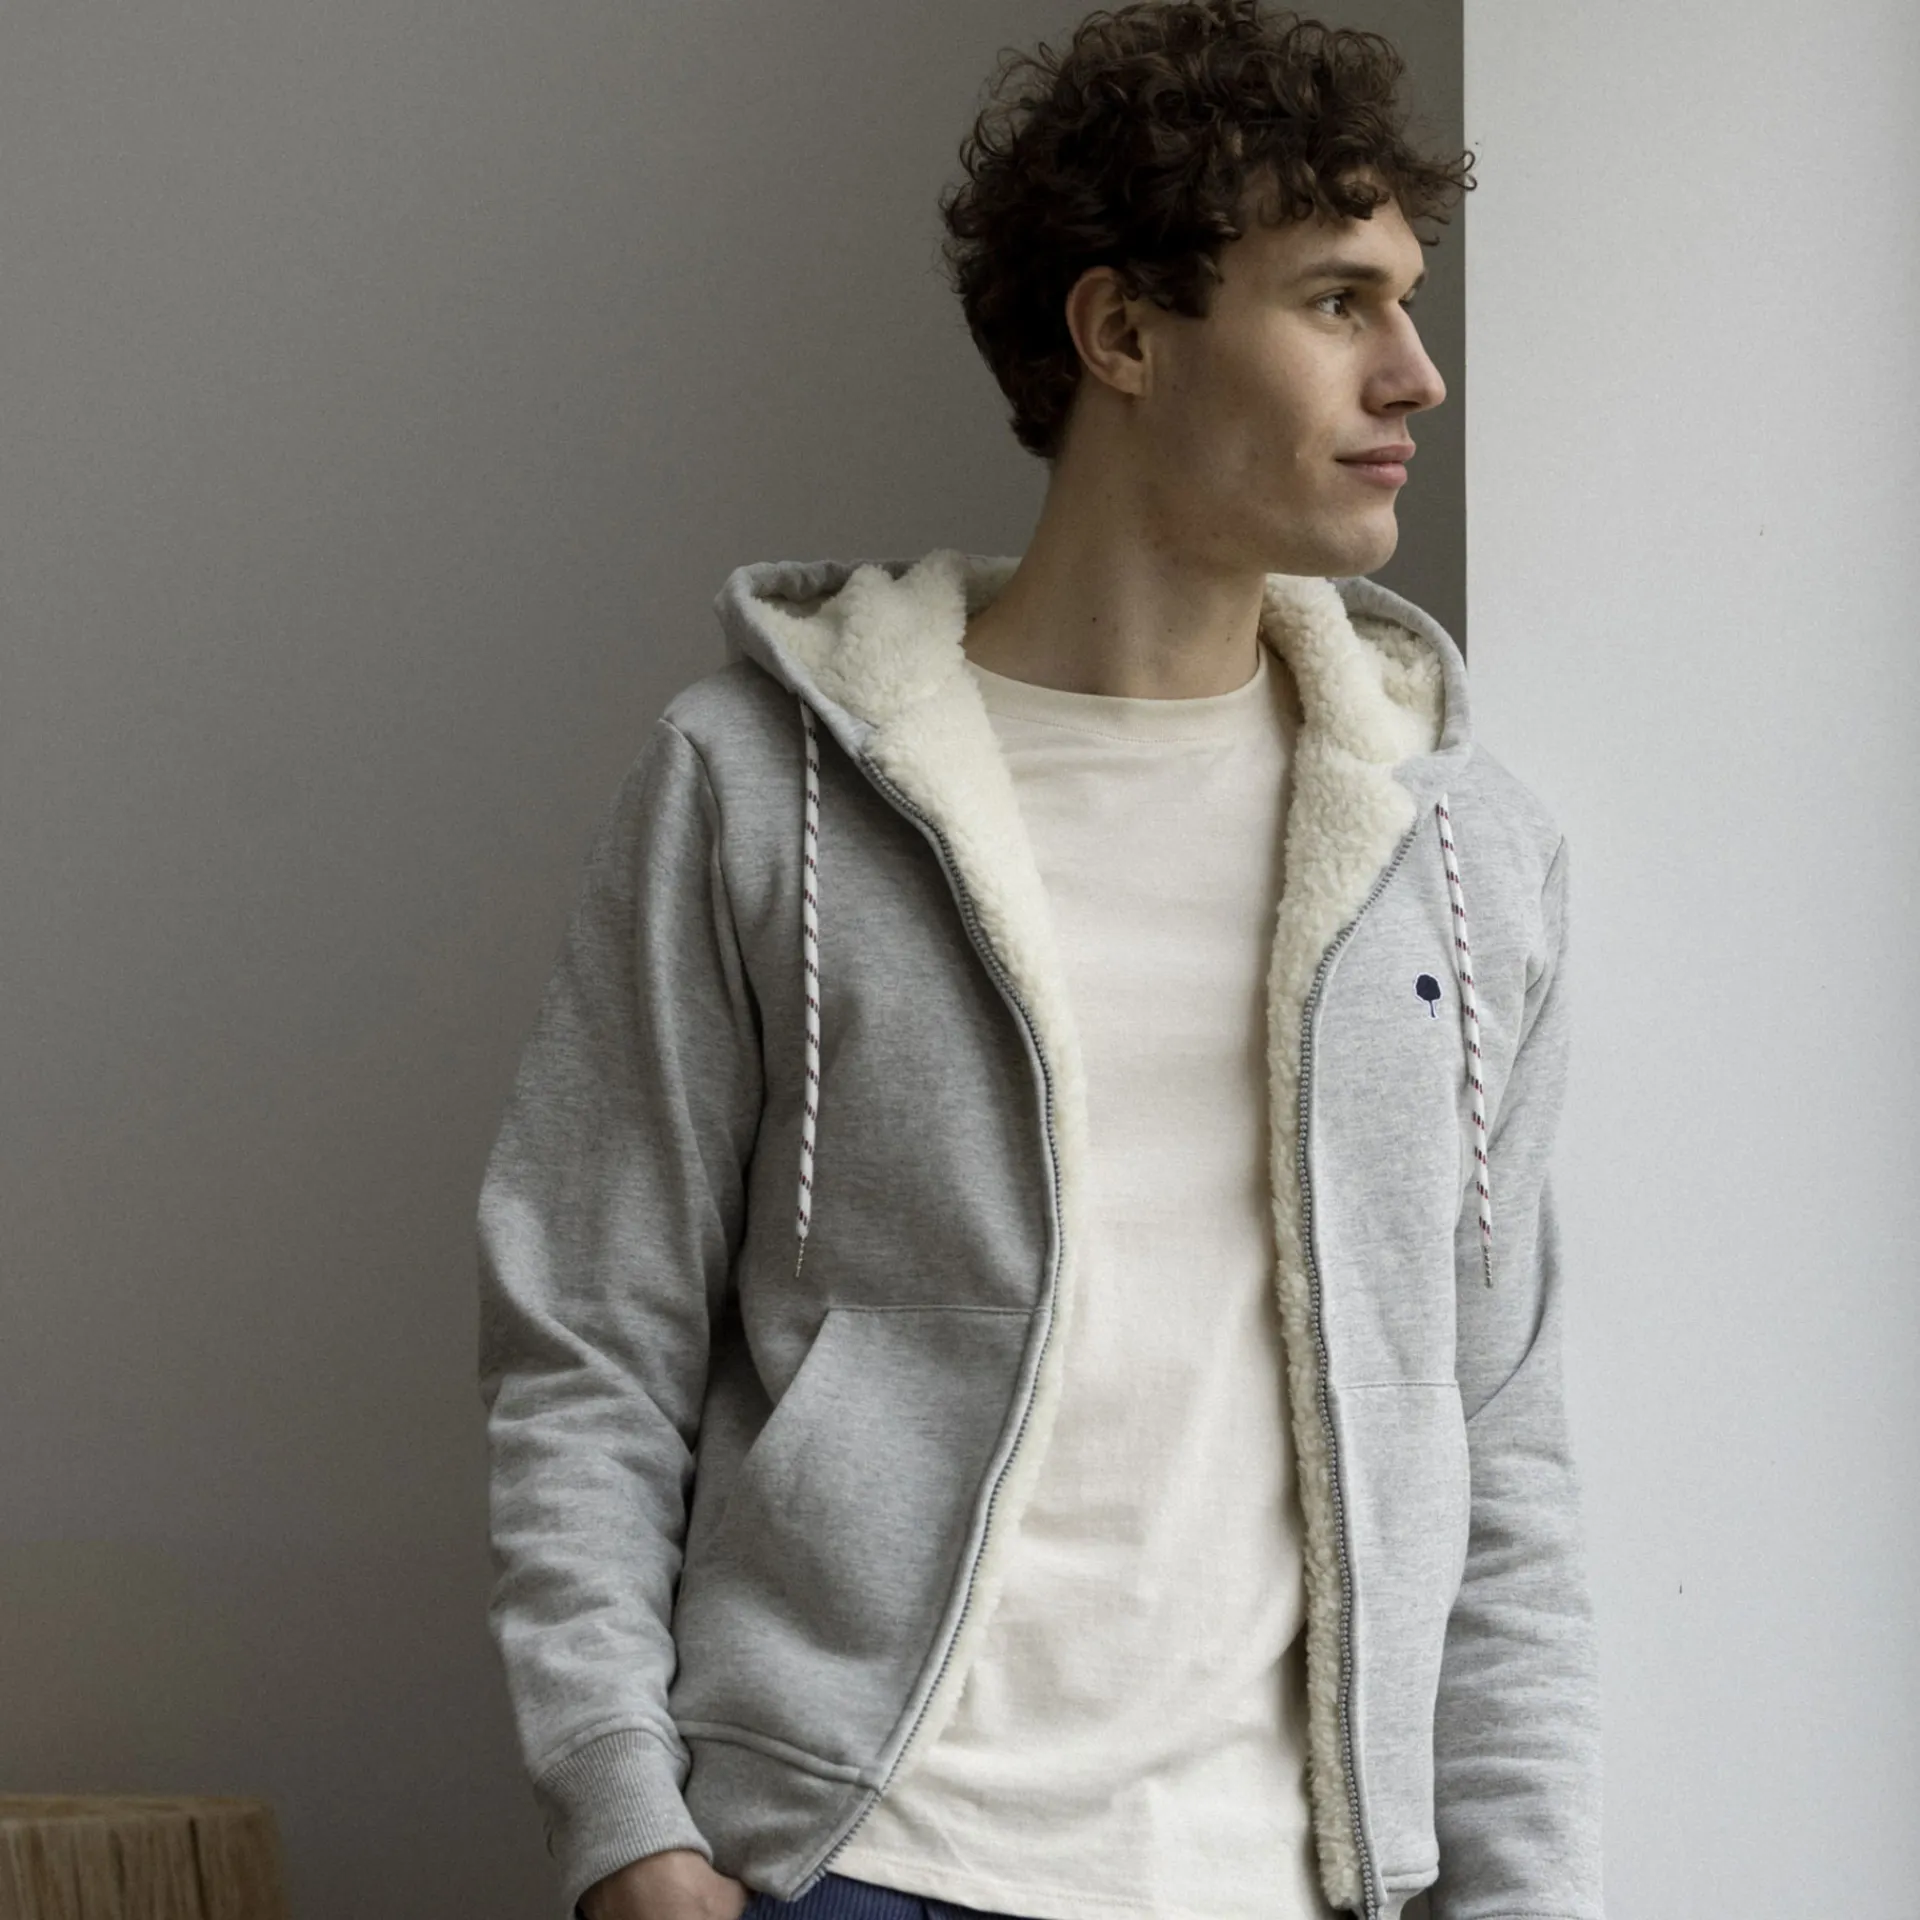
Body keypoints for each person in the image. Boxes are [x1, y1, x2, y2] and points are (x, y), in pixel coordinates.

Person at [476, 5, 1605, 1919]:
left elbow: (1495, 1436)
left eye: (1408, 304)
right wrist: (628, 1829)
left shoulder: (1461, 857)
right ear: (1124, 335)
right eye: (1338, 301)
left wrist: (1525, 1896)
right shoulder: (761, 790)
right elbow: (588, 1334)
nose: (1415, 372)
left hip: (1297, 1880)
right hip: (857, 1859)